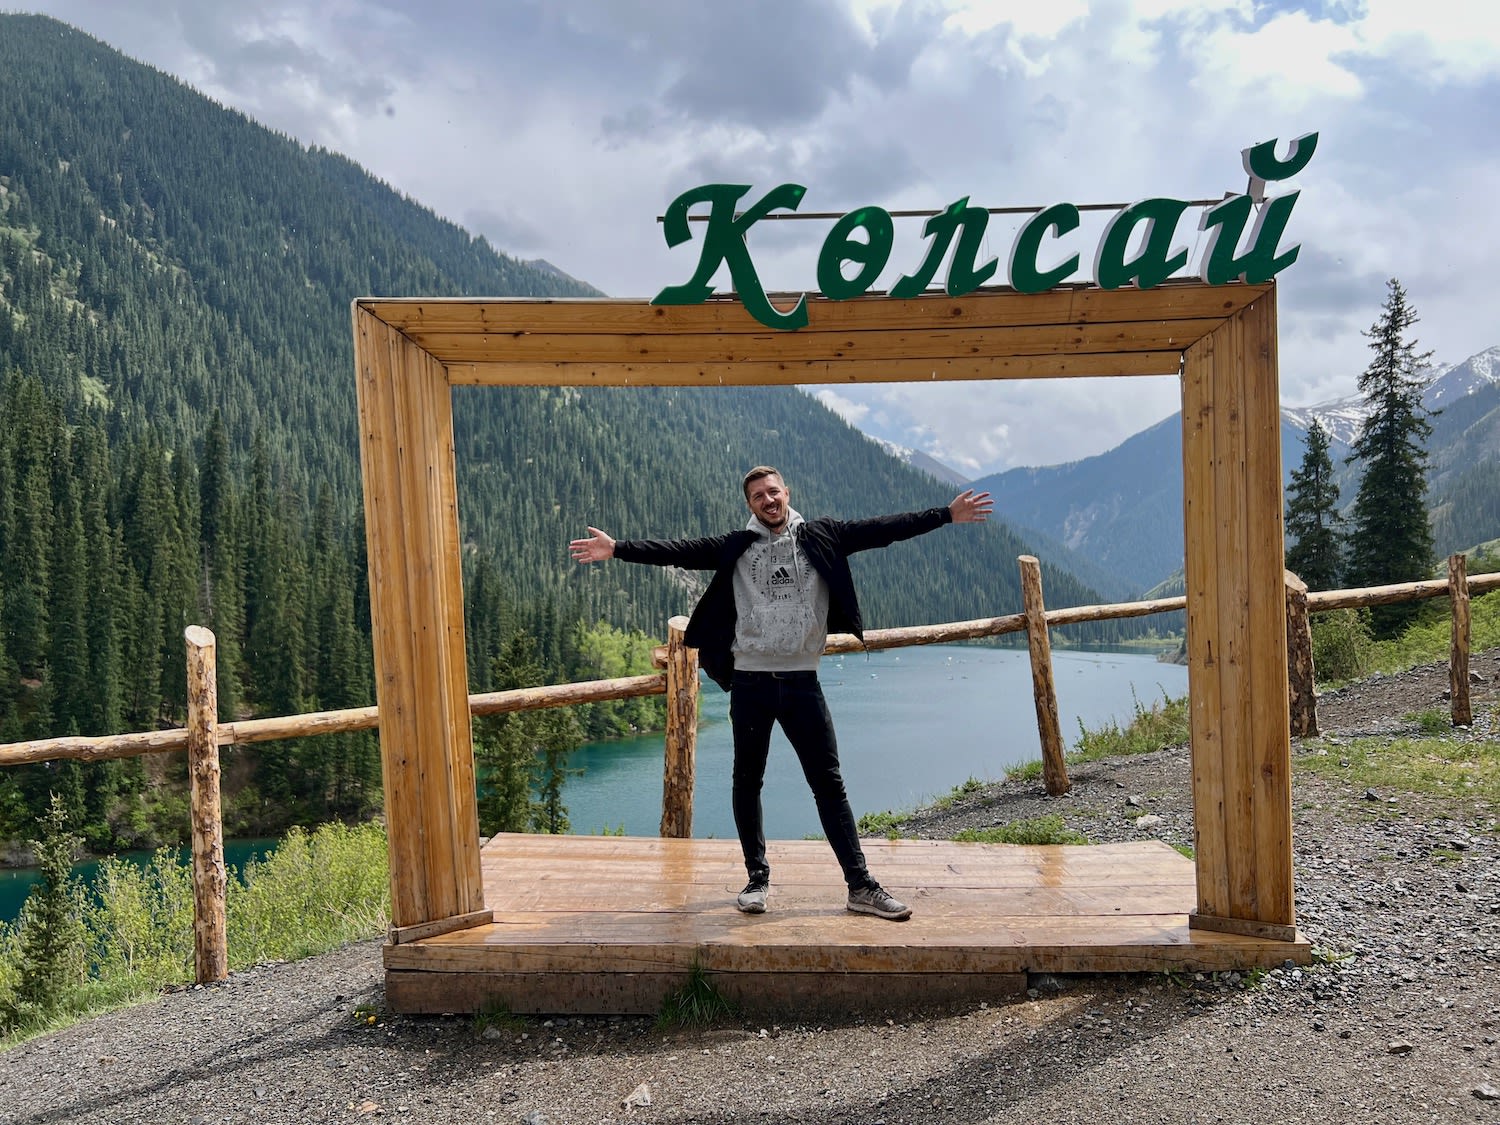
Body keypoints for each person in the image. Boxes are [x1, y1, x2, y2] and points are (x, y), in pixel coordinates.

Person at [569, 466, 993, 921]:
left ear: (787, 492)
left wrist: (945, 515)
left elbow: (884, 529)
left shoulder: (823, 535)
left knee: (828, 783)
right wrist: (617, 549)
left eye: (773, 492)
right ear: (749, 504)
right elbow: (678, 551)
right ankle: (757, 878)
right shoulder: (738, 546)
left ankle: (860, 885)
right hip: (751, 682)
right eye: (758, 496)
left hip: (802, 682)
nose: (768, 501)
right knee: (747, 781)